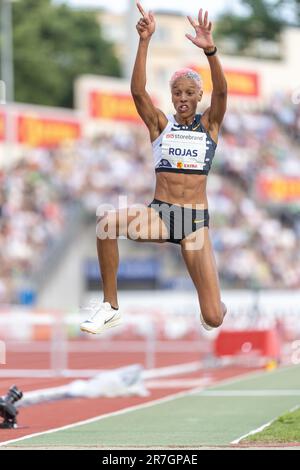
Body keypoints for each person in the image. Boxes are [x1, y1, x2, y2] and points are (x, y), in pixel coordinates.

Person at [80, 3, 227, 334]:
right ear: (172, 97)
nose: (183, 98)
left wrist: (211, 52)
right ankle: (110, 305)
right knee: (107, 224)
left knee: (214, 318)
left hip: (194, 222)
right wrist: (145, 41)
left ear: (200, 95)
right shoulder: (160, 124)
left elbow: (222, 90)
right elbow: (137, 91)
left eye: (190, 92)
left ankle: (215, 306)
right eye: (177, 93)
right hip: (161, 214)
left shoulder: (210, 124)